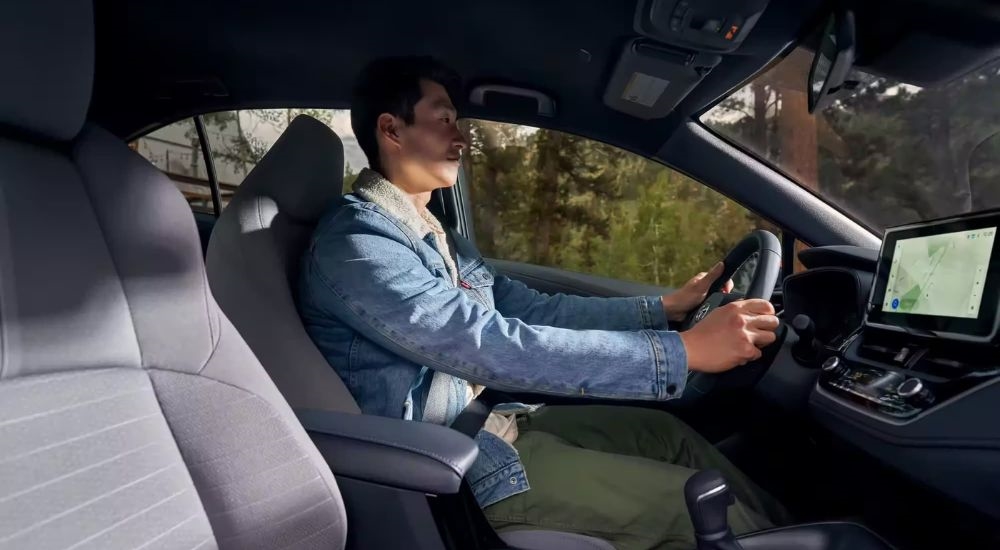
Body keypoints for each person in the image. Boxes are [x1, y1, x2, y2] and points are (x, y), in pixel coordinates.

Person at [298, 56, 787, 550]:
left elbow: (529, 310)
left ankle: (795, 535)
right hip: (460, 468)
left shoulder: (430, 233)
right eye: (444, 118)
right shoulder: (357, 244)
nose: (462, 137)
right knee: (683, 504)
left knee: (667, 435)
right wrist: (682, 352)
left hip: (499, 422)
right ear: (391, 129)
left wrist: (663, 309)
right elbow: (483, 343)